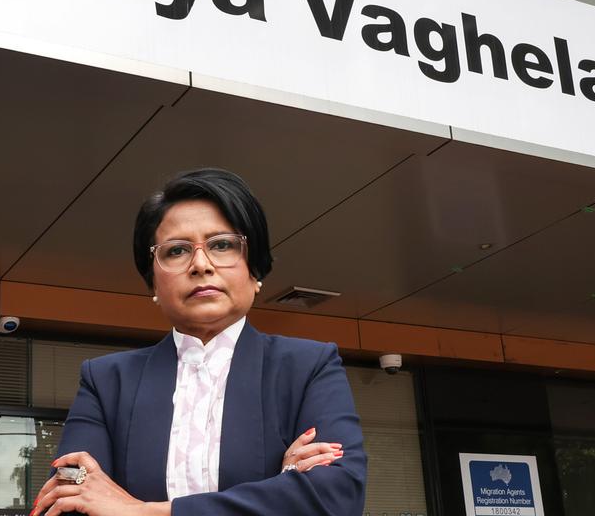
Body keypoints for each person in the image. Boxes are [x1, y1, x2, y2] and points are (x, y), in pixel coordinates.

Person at [30, 168, 367, 516]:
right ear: (154, 284)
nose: (200, 264)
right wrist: (280, 485)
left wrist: (141, 511)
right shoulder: (106, 381)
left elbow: (336, 498)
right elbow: (67, 492)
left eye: (222, 245)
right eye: (176, 251)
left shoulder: (308, 366)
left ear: (255, 272)